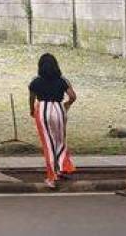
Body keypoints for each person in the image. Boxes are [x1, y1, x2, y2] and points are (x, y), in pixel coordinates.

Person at [29, 53, 77, 189]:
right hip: (59, 109)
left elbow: (32, 98)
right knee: (60, 141)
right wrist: (67, 104)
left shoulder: (35, 81)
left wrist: (32, 110)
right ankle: (61, 167)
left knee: (48, 143)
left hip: (43, 109)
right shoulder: (62, 80)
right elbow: (73, 96)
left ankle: (51, 177)